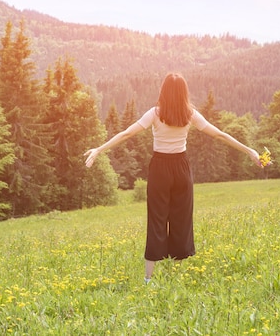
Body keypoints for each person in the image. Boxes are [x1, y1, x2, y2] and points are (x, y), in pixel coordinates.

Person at [84, 73, 262, 283]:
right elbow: (219, 135)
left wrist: (99, 149)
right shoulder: (190, 114)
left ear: (163, 91)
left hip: (160, 169)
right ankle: (177, 276)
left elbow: (126, 134)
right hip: (181, 169)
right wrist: (249, 150)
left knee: (157, 220)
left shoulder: (155, 113)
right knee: (181, 220)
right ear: (184, 93)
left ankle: (149, 279)